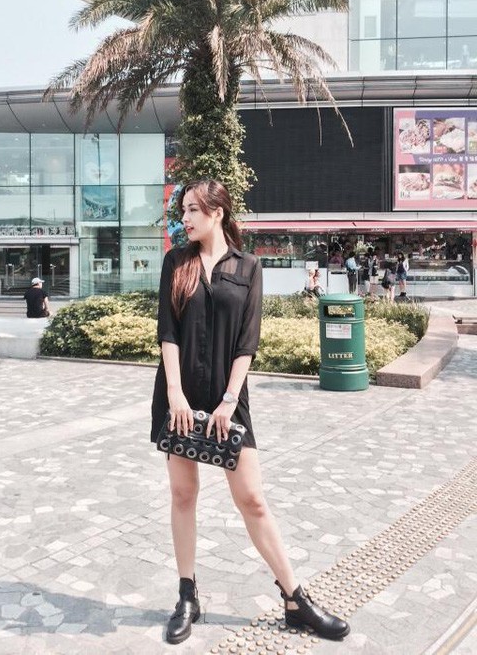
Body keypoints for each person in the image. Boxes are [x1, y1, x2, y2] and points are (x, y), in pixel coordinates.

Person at [151, 179, 349, 645]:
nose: (185, 218)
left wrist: (228, 400)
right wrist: (176, 394)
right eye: (183, 210)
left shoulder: (249, 266)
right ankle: (187, 596)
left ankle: (296, 600)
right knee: (183, 493)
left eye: (193, 210)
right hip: (180, 395)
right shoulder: (176, 262)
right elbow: (168, 332)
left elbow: (247, 342)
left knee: (253, 499)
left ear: (217, 212)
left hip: (229, 398)